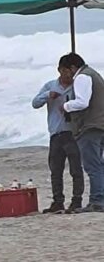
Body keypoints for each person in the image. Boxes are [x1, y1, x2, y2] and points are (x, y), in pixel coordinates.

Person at [32, 64, 83, 213]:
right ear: (60, 70)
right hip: (56, 133)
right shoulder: (50, 86)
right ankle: (58, 201)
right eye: (66, 73)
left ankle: (76, 200)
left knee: (76, 169)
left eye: (71, 73)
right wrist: (48, 95)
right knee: (56, 170)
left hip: (72, 133)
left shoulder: (77, 86)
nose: (69, 76)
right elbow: (35, 103)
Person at [61, 53, 104, 213]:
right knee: (99, 164)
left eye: (65, 71)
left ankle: (97, 201)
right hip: (100, 125)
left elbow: (82, 102)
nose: (65, 76)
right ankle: (99, 199)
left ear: (72, 68)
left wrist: (66, 106)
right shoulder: (94, 74)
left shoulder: (82, 77)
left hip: (90, 127)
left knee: (92, 165)